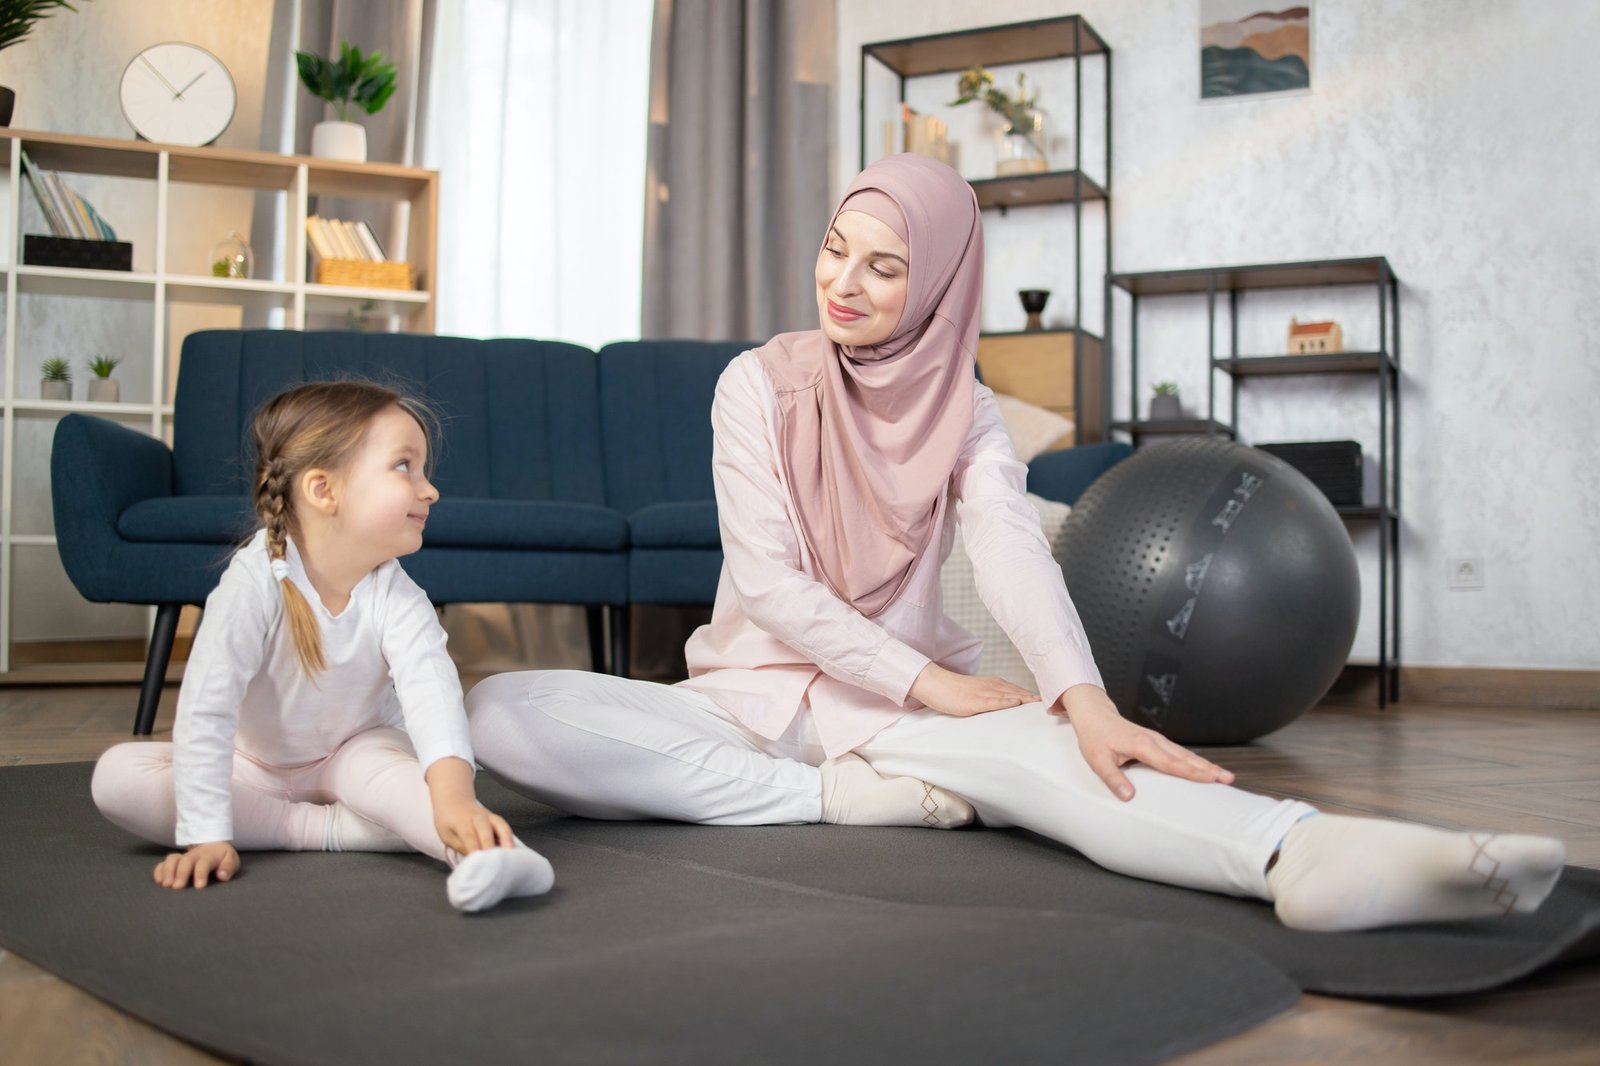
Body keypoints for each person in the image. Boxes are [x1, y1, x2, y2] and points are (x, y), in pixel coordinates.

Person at [466, 153, 1565, 932]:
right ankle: (842, 803)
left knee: (1066, 761)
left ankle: (1302, 853)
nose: (842, 286)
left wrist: (1080, 696)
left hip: (900, 715)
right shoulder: (754, 384)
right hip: (750, 699)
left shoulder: (969, 410)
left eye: (883, 268)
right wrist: (921, 691)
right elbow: (766, 581)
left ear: (938, 282)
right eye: (834, 251)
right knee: (503, 713)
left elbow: (1007, 547)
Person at [92, 381, 554, 913]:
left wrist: (454, 800)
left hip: (356, 756)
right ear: (323, 489)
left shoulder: (397, 593)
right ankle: (331, 829)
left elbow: (434, 695)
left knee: (419, 792)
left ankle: (499, 857)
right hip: (252, 765)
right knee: (117, 779)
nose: (430, 490)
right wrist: (206, 835)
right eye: (405, 466)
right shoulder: (253, 581)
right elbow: (206, 710)